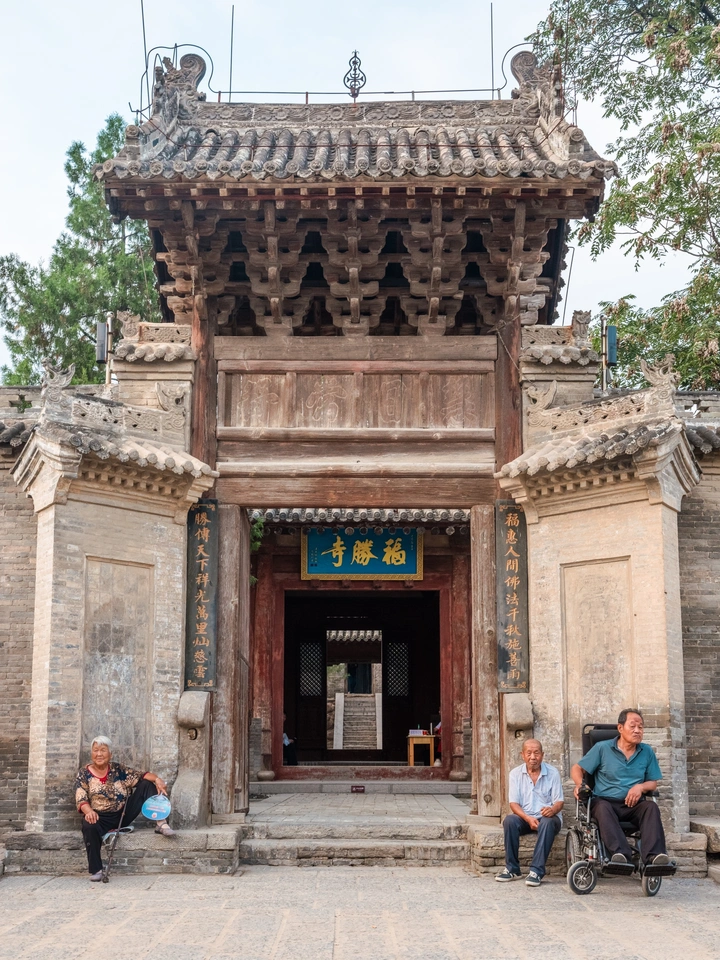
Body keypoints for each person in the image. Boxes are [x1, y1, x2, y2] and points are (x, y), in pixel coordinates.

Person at [571, 708, 669, 866]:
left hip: (633, 805)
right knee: (602, 807)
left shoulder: (647, 751)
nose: (637, 730)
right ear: (620, 728)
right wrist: (580, 784)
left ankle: (654, 857)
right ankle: (621, 855)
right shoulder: (602, 748)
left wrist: (640, 787)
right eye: (633, 726)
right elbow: (577, 768)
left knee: (651, 807)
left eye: (640, 727)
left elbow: (653, 782)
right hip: (605, 802)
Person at [75, 736, 175, 881]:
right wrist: (88, 811)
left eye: (103, 750)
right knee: (88, 825)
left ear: (110, 754)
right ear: (91, 753)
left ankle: (161, 823)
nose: (99, 754)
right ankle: (96, 869)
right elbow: (81, 796)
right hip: (99, 818)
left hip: (122, 815)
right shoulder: (84, 773)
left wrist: (157, 779)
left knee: (147, 784)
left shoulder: (118, 769)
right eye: (96, 750)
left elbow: (141, 775)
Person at [496, 739, 564, 887]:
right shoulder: (515, 774)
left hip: (548, 818)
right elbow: (514, 804)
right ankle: (512, 869)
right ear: (522, 755)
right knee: (509, 821)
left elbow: (559, 802)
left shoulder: (552, 773)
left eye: (536, 753)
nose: (533, 757)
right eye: (529, 753)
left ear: (542, 755)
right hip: (526, 817)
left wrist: (552, 809)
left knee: (547, 822)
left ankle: (536, 871)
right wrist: (527, 818)